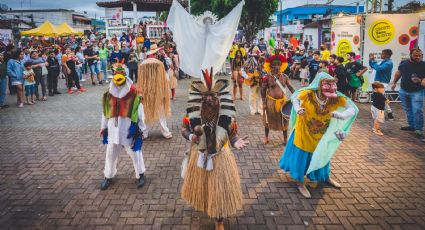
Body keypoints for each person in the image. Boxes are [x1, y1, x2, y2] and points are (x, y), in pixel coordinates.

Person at [181, 69, 249, 230]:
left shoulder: (227, 115)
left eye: (213, 96)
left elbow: (233, 134)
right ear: (200, 97)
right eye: (205, 96)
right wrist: (191, 137)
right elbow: (184, 130)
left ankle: (219, 220)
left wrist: (236, 141)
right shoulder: (192, 113)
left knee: (219, 190)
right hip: (199, 154)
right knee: (203, 186)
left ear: (219, 98)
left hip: (220, 157)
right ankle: (205, 204)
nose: (209, 99)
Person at [280, 72, 358, 198]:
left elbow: (352, 108)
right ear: (319, 84)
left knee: (322, 153)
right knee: (302, 155)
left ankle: (324, 177)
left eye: (333, 84)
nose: (331, 87)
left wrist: (342, 115)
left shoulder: (336, 98)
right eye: (327, 84)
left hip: (321, 133)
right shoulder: (308, 94)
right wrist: (298, 108)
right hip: (304, 131)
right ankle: (300, 182)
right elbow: (295, 98)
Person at [100, 63, 146, 190]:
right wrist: (103, 127)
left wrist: (142, 129)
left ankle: (141, 174)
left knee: (135, 152)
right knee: (110, 153)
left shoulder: (134, 94)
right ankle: (108, 175)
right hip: (113, 130)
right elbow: (105, 113)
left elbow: (140, 112)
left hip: (128, 130)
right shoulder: (108, 94)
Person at [261, 53, 295, 145]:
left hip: (282, 103)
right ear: (270, 67)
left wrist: (297, 96)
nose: (276, 67)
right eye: (274, 66)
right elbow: (263, 91)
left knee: (284, 121)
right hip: (270, 102)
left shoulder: (284, 77)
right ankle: (266, 137)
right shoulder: (267, 77)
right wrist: (264, 103)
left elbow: (291, 88)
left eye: (278, 65)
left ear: (281, 66)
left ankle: (285, 139)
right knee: (268, 119)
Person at [391, 48, 425, 139]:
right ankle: (412, 125)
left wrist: (421, 80)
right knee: (408, 109)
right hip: (403, 90)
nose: (418, 57)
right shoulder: (404, 63)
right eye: (415, 55)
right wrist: (394, 82)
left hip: (417, 92)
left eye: (420, 55)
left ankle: (418, 128)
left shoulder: (423, 65)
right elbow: (398, 73)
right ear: (410, 55)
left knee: (417, 110)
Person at [136, 57, 173, 139]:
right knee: (147, 115)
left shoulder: (158, 77)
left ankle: (147, 132)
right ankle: (146, 132)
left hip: (156, 96)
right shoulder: (147, 78)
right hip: (148, 96)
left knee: (156, 114)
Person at [369, 49, 394, 120]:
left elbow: (379, 68)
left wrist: (373, 61)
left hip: (382, 83)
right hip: (377, 82)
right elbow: (373, 66)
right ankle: (388, 112)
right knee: (379, 98)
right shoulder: (382, 61)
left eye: (382, 54)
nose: (381, 55)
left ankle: (389, 113)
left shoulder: (388, 63)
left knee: (381, 98)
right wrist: (371, 60)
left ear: (387, 55)